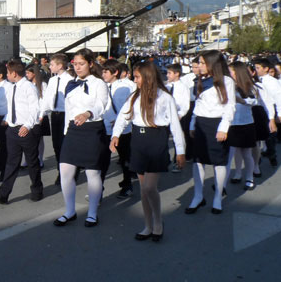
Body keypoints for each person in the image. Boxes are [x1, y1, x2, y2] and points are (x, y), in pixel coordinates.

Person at [111, 60, 186, 241]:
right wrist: (116, 135)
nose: (134, 80)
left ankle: (158, 221)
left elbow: (175, 125)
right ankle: (148, 225)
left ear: (147, 77)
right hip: (138, 141)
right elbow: (123, 117)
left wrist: (180, 150)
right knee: (144, 189)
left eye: (137, 77)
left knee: (149, 187)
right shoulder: (134, 97)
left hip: (156, 140)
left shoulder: (165, 97)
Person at [53, 49, 109, 227]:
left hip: (92, 129)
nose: (77, 67)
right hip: (73, 131)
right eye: (75, 64)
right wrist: (66, 131)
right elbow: (68, 110)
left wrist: (87, 113)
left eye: (81, 64)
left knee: (93, 173)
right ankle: (69, 211)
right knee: (65, 171)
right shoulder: (71, 84)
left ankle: (92, 213)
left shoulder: (99, 83)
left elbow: (102, 104)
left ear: (90, 64)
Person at [186, 51, 236, 215]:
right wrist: (193, 123)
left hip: (217, 124)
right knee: (198, 161)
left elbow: (230, 105)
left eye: (202, 63)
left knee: (219, 162)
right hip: (201, 123)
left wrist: (223, 127)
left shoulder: (226, 81)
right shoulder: (200, 80)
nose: (199, 66)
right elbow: (198, 104)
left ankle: (217, 197)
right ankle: (198, 196)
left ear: (212, 64)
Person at [0, 60, 43, 205]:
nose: (6, 75)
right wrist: (6, 120)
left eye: (8, 73)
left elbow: (35, 108)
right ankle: (3, 194)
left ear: (14, 73)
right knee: (11, 163)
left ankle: (37, 190)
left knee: (32, 162)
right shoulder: (12, 88)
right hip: (12, 130)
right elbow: (12, 107)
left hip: (27, 130)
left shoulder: (28, 87)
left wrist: (27, 125)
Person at [226, 61, 275, 191]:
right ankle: (236, 174)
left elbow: (254, 101)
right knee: (234, 151)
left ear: (238, 72)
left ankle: (249, 178)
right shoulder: (229, 86)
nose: (229, 74)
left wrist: (241, 100)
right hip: (232, 123)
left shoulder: (251, 87)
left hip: (246, 123)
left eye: (231, 71)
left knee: (247, 152)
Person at [102, 59, 136, 198]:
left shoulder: (125, 87)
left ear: (115, 72)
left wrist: (118, 122)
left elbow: (128, 108)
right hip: (105, 128)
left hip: (122, 130)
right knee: (102, 160)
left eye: (106, 72)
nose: (103, 74)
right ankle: (98, 189)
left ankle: (127, 185)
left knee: (124, 159)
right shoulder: (103, 86)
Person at [45, 53, 72, 185]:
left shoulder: (70, 80)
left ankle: (68, 172)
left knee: (65, 144)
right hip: (55, 114)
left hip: (66, 114)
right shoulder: (52, 80)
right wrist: (41, 113)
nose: (50, 67)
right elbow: (47, 97)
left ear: (60, 66)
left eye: (52, 64)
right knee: (56, 144)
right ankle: (60, 170)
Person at [253, 57, 281, 167]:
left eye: (258, 68)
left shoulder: (272, 82)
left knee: (270, 135)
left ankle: (272, 155)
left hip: (271, 109)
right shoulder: (258, 80)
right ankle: (258, 157)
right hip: (261, 109)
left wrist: (279, 114)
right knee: (261, 134)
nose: (256, 70)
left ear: (266, 69)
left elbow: (278, 98)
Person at [26, 65, 51, 166]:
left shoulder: (43, 85)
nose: (26, 75)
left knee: (39, 139)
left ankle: (40, 158)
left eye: (28, 73)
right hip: (30, 115)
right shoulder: (28, 85)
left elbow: (44, 101)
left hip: (40, 115)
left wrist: (41, 115)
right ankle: (29, 159)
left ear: (34, 73)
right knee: (28, 139)